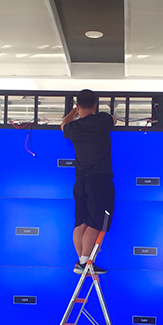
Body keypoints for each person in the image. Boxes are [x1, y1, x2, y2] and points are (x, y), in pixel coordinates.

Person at [60, 89, 116, 274]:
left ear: (77, 106)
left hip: (80, 182)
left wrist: (74, 112)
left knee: (81, 223)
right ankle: (85, 263)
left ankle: (82, 262)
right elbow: (114, 120)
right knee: (95, 223)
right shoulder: (102, 120)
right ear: (95, 106)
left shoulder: (73, 128)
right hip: (99, 181)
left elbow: (63, 124)